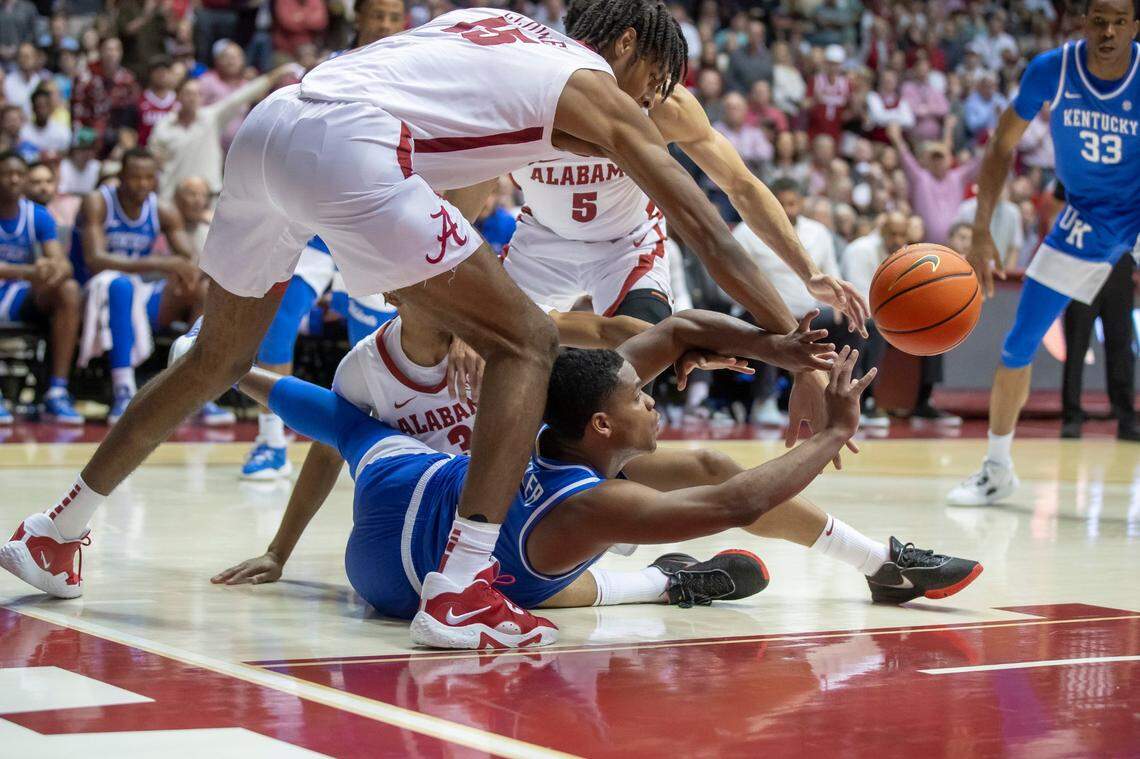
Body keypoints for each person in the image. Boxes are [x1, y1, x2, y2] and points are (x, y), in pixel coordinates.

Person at [1, 5, 842, 651]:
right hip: (352, 145)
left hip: (273, 126)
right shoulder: (590, 81)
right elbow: (704, 222)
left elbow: (456, 163)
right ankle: (461, 587)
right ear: (624, 44)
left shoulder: (501, 33)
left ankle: (55, 531)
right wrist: (801, 340)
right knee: (528, 341)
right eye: (655, 82)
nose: (655, 103)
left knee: (216, 358)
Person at [212, 309, 981, 645]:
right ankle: (660, 584)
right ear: (606, 425)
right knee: (536, 577)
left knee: (352, 428)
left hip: (402, 505)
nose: (658, 399)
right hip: (397, 574)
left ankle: (881, 565)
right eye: (645, 398)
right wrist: (842, 428)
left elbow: (677, 333)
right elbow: (740, 501)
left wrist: (786, 351)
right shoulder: (597, 504)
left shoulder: (570, 403)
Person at [949, 0, 1140, 508]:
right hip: (1087, 215)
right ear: (1083, 23)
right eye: (1100, 19)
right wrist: (983, 229)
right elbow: (1000, 148)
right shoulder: (1052, 70)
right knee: (1020, 340)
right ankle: (996, 468)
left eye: (1121, 20)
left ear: (1135, 27)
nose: (1109, 30)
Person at [239, 0, 407, 481]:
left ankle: (384, 447)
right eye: (378, 15)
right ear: (359, 18)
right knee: (279, 319)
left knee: (375, 344)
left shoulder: (414, 73)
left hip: (376, 222)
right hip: (318, 220)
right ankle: (271, 443)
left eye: (395, 18)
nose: (385, 25)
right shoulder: (330, 71)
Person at [70, 148, 230, 425]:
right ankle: (123, 390)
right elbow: (95, 260)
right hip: (95, 295)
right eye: (135, 177)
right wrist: (160, 263)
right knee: (119, 285)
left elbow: (188, 256)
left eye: (148, 178)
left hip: (140, 292)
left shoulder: (162, 208)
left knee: (200, 291)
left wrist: (190, 272)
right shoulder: (98, 202)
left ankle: (194, 387)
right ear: (121, 176)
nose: (143, 184)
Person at [0, 152, 84, 425]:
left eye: (18, 174)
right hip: (10, 286)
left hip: (19, 295)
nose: (13, 179)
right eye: (6, 174)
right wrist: (29, 271)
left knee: (69, 290)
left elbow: (62, 261)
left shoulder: (38, 215)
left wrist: (55, 270)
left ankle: (57, 391)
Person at [149, 64, 297, 201]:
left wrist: (276, 75)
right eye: (188, 93)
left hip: (208, 198)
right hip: (173, 198)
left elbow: (241, 96)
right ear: (179, 95)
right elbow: (153, 160)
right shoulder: (163, 126)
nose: (192, 98)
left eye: (197, 94)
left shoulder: (211, 117)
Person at [1061, 251, 1137, 439]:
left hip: (1119, 267)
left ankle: (1126, 416)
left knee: (1121, 347)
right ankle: (1071, 416)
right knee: (1076, 347)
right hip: (1083, 266)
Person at [20, 88, 72, 159]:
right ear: (33, 108)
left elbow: (66, 154)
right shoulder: (24, 132)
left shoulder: (62, 131)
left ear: (51, 107)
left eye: (45, 106)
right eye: (39, 106)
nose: (42, 110)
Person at [137, 56, 177, 147]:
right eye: (157, 71)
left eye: (165, 71)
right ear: (150, 74)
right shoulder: (139, 101)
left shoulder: (179, 102)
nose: (161, 75)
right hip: (145, 153)